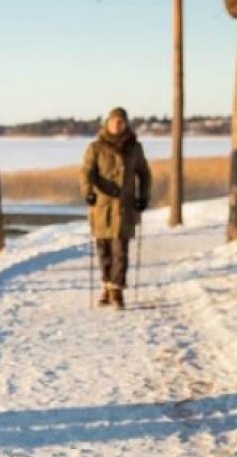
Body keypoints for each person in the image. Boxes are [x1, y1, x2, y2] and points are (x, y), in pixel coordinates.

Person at [80, 107, 152, 309]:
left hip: (125, 207)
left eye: (121, 122)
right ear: (107, 124)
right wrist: (88, 191)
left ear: (126, 124)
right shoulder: (95, 147)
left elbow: (144, 174)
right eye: (114, 122)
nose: (118, 125)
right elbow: (86, 172)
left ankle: (117, 290)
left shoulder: (134, 148)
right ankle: (106, 285)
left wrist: (143, 197)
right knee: (104, 251)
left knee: (120, 250)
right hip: (101, 207)